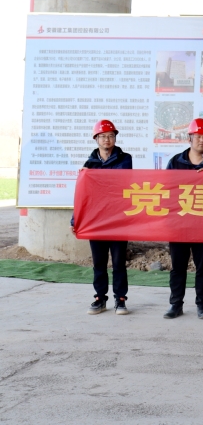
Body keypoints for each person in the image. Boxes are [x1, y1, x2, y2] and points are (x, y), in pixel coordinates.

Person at [164, 118, 203, 320]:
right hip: (180, 224)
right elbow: (166, 189)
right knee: (178, 267)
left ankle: (202, 305)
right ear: (189, 138)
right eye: (198, 136)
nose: (202, 140)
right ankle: (176, 304)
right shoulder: (175, 162)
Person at [71, 120, 133, 315]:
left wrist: (93, 175)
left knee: (118, 262)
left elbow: (119, 181)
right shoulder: (89, 164)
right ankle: (100, 298)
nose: (107, 139)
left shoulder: (125, 159)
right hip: (96, 220)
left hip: (118, 220)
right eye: (103, 136)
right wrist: (75, 220)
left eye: (111, 136)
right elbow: (82, 195)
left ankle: (120, 299)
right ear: (96, 139)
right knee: (99, 262)